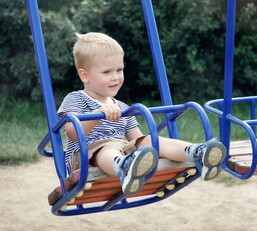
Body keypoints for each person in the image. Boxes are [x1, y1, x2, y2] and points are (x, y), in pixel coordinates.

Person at [57, 32, 226, 196]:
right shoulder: (76, 98)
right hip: (86, 157)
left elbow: (136, 140)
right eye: (107, 72)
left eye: (119, 70)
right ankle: (123, 167)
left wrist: (148, 147)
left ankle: (197, 152)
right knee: (107, 148)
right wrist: (97, 114)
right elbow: (72, 133)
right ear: (84, 75)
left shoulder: (123, 107)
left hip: (122, 150)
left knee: (149, 140)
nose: (115, 77)